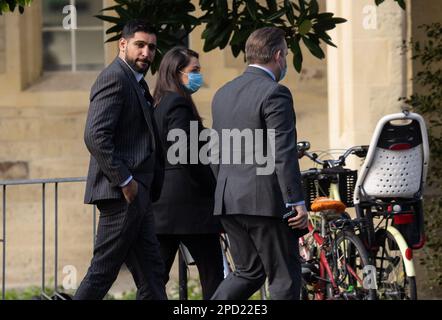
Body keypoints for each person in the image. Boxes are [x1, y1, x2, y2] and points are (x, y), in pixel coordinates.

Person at [210, 27, 309, 300]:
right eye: (286, 55)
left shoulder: (222, 93)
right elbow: (283, 152)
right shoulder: (275, 92)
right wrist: (296, 202)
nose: (286, 61)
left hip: (229, 201)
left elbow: (215, 152)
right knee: (285, 279)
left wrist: (224, 194)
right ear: (278, 56)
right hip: (265, 203)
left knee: (247, 272)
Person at [74, 19, 167, 300]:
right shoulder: (114, 77)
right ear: (123, 44)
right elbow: (95, 136)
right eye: (139, 45)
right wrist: (125, 180)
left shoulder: (135, 82)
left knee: (152, 273)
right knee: (103, 271)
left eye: (151, 48)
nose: (146, 53)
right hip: (122, 194)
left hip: (138, 194)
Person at [152, 47, 224, 300]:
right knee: (213, 274)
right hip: (190, 205)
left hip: (162, 206)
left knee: (155, 278)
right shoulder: (178, 103)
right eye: (194, 71)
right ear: (176, 72)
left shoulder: (159, 103)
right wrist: (214, 192)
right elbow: (187, 156)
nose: (198, 76)